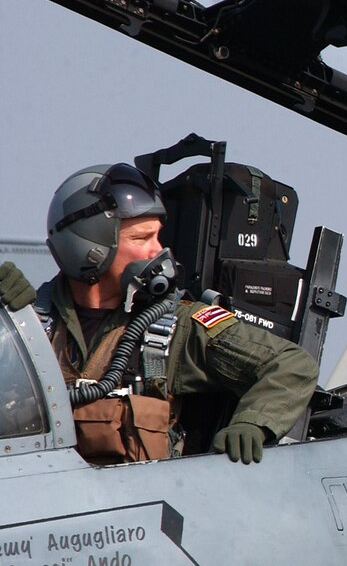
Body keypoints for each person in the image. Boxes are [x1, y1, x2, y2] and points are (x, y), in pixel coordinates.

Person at [18, 163, 319, 464]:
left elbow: (291, 364)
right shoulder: (28, 324)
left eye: (156, 236)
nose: (158, 251)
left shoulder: (176, 326)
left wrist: (253, 422)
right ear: (89, 248)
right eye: (140, 239)